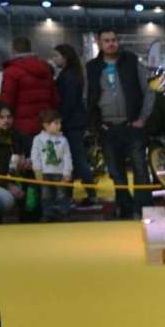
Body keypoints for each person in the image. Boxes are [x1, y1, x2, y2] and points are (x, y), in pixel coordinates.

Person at [86, 28, 154, 219]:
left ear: (118, 41)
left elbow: (149, 90)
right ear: (99, 43)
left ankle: (144, 210)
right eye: (106, 40)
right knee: (116, 173)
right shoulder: (91, 67)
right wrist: (96, 124)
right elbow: (87, 97)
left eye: (114, 40)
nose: (111, 44)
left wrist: (143, 118)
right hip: (107, 128)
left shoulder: (131, 61)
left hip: (133, 126)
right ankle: (125, 209)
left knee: (140, 170)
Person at [51, 44, 98, 207]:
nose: (54, 59)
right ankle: (82, 194)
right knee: (74, 160)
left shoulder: (68, 76)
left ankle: (90, 195)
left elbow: (69, 102)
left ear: (65, 57)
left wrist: (60, 121)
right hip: (74, 122)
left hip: (71, 124)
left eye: (56, 56)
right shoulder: (72, 73)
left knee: (76, 160)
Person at [0, 36, 59, 153]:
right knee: (46, 160)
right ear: (30, 49)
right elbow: (55, 99)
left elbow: (7, 102)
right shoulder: (46, 68)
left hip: (23, 128)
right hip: (45, 125)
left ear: (13, 50)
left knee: (26, 160)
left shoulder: (11, 71)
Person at [30, 109, 74, 221]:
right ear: (46, 125)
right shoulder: (38, 139)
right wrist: (37, 170)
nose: (59, 126)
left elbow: (67, 157)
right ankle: (47, 214)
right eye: (56, 123)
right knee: (46, 195)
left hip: (60, 173)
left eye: (60, 123)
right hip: (45, 173)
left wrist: (67, 172)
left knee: (62, 194)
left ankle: (64, 214)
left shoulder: (63, 140)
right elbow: (35, 156)